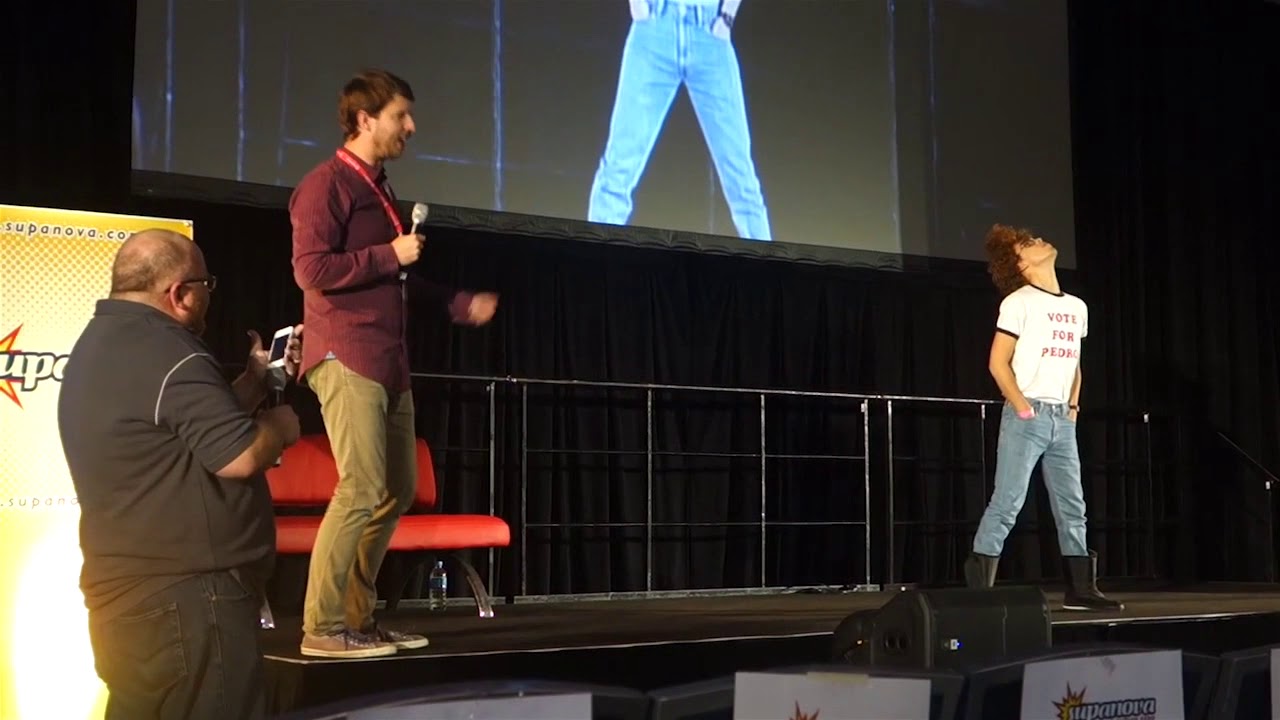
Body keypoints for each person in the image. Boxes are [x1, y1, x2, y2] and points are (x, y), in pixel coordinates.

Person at [289, 68, 499, 659]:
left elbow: (398, 275)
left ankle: (358, 618)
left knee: (396, 489)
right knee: (360, 489)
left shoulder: (377, 189)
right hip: (346, 353)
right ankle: (323, 628)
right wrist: (389, 253)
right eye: (401, 115)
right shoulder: (324, 185)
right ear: (364, 119)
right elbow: (312, 271)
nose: (411, 125)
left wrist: (457, 303)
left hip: (389, 360)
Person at [57, 229, 303, 719]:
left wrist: (256, 382)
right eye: (207, 283)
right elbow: (239, 455)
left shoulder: (100, 343)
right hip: (191, 600)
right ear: (181, 293)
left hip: (131, 600)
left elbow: (186, 430)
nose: (210, 294)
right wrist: (279, 427)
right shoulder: (172, 351)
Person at [964, 224, 1123, 612]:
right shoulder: (1018, 302)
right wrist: (1021, 405)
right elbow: (997, 363)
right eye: (1028, 243)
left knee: (1073, 505)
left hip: (1061, 420)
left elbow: (1074, 364)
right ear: (1021, 263)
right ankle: (977, 595)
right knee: (1008, 502)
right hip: (1027, 415)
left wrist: (1073, 407)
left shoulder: (1076, 306)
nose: (1039, 240)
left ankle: (1081, 589)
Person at [588, 0, 772, 241]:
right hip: (655, 27)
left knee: (740, 172)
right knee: (619, 165)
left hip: (709, 33)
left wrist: (727, 17)